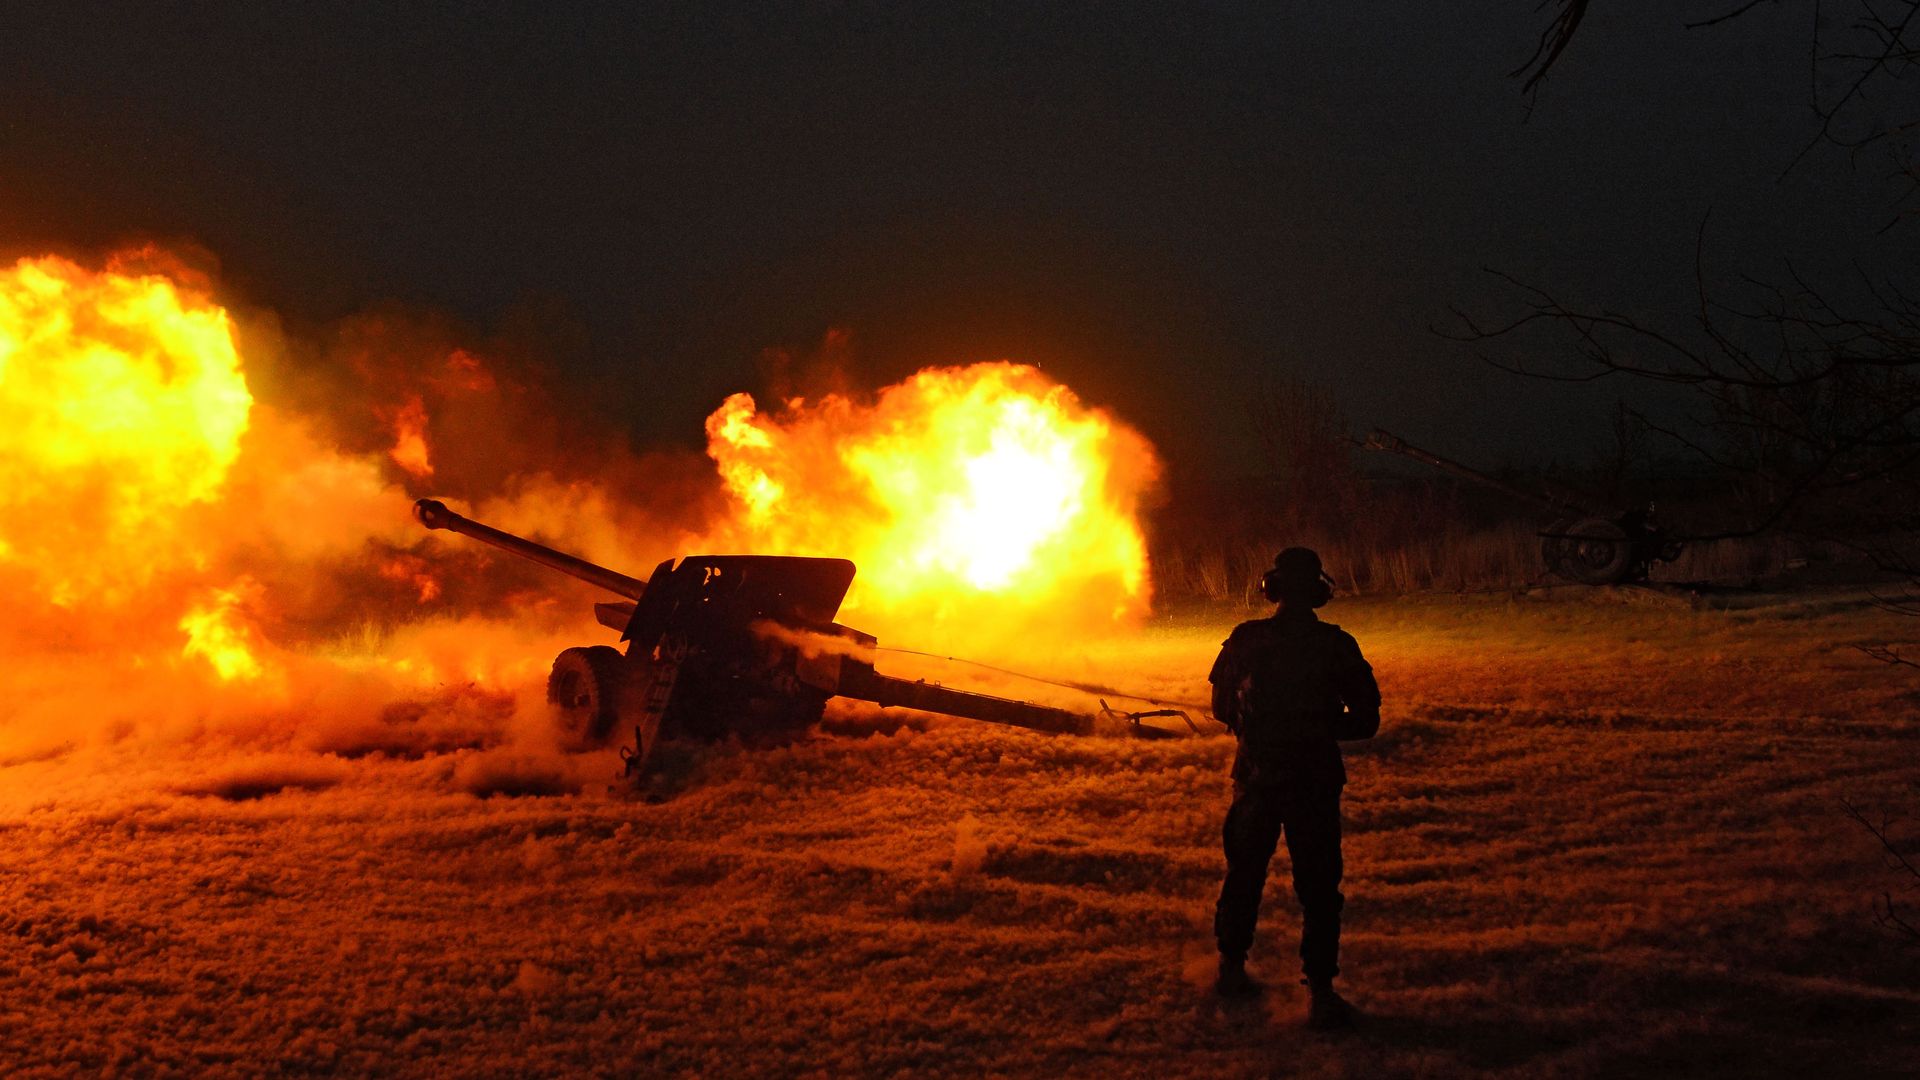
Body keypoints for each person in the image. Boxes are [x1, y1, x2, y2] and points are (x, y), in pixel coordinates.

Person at [1208, 547, 1380, 1030]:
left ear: (1273, 589)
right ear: (1319, 592)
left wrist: (1263, 729)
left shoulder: (1245, 640)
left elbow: (1221, 707)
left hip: (1257, 780)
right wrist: (1319, 728)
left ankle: (1231, 971)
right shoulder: (1336, 645)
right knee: (1320, 889)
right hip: (1314, 782)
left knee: (1244, 876)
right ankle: (1321, 994)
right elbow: (1366, 720)